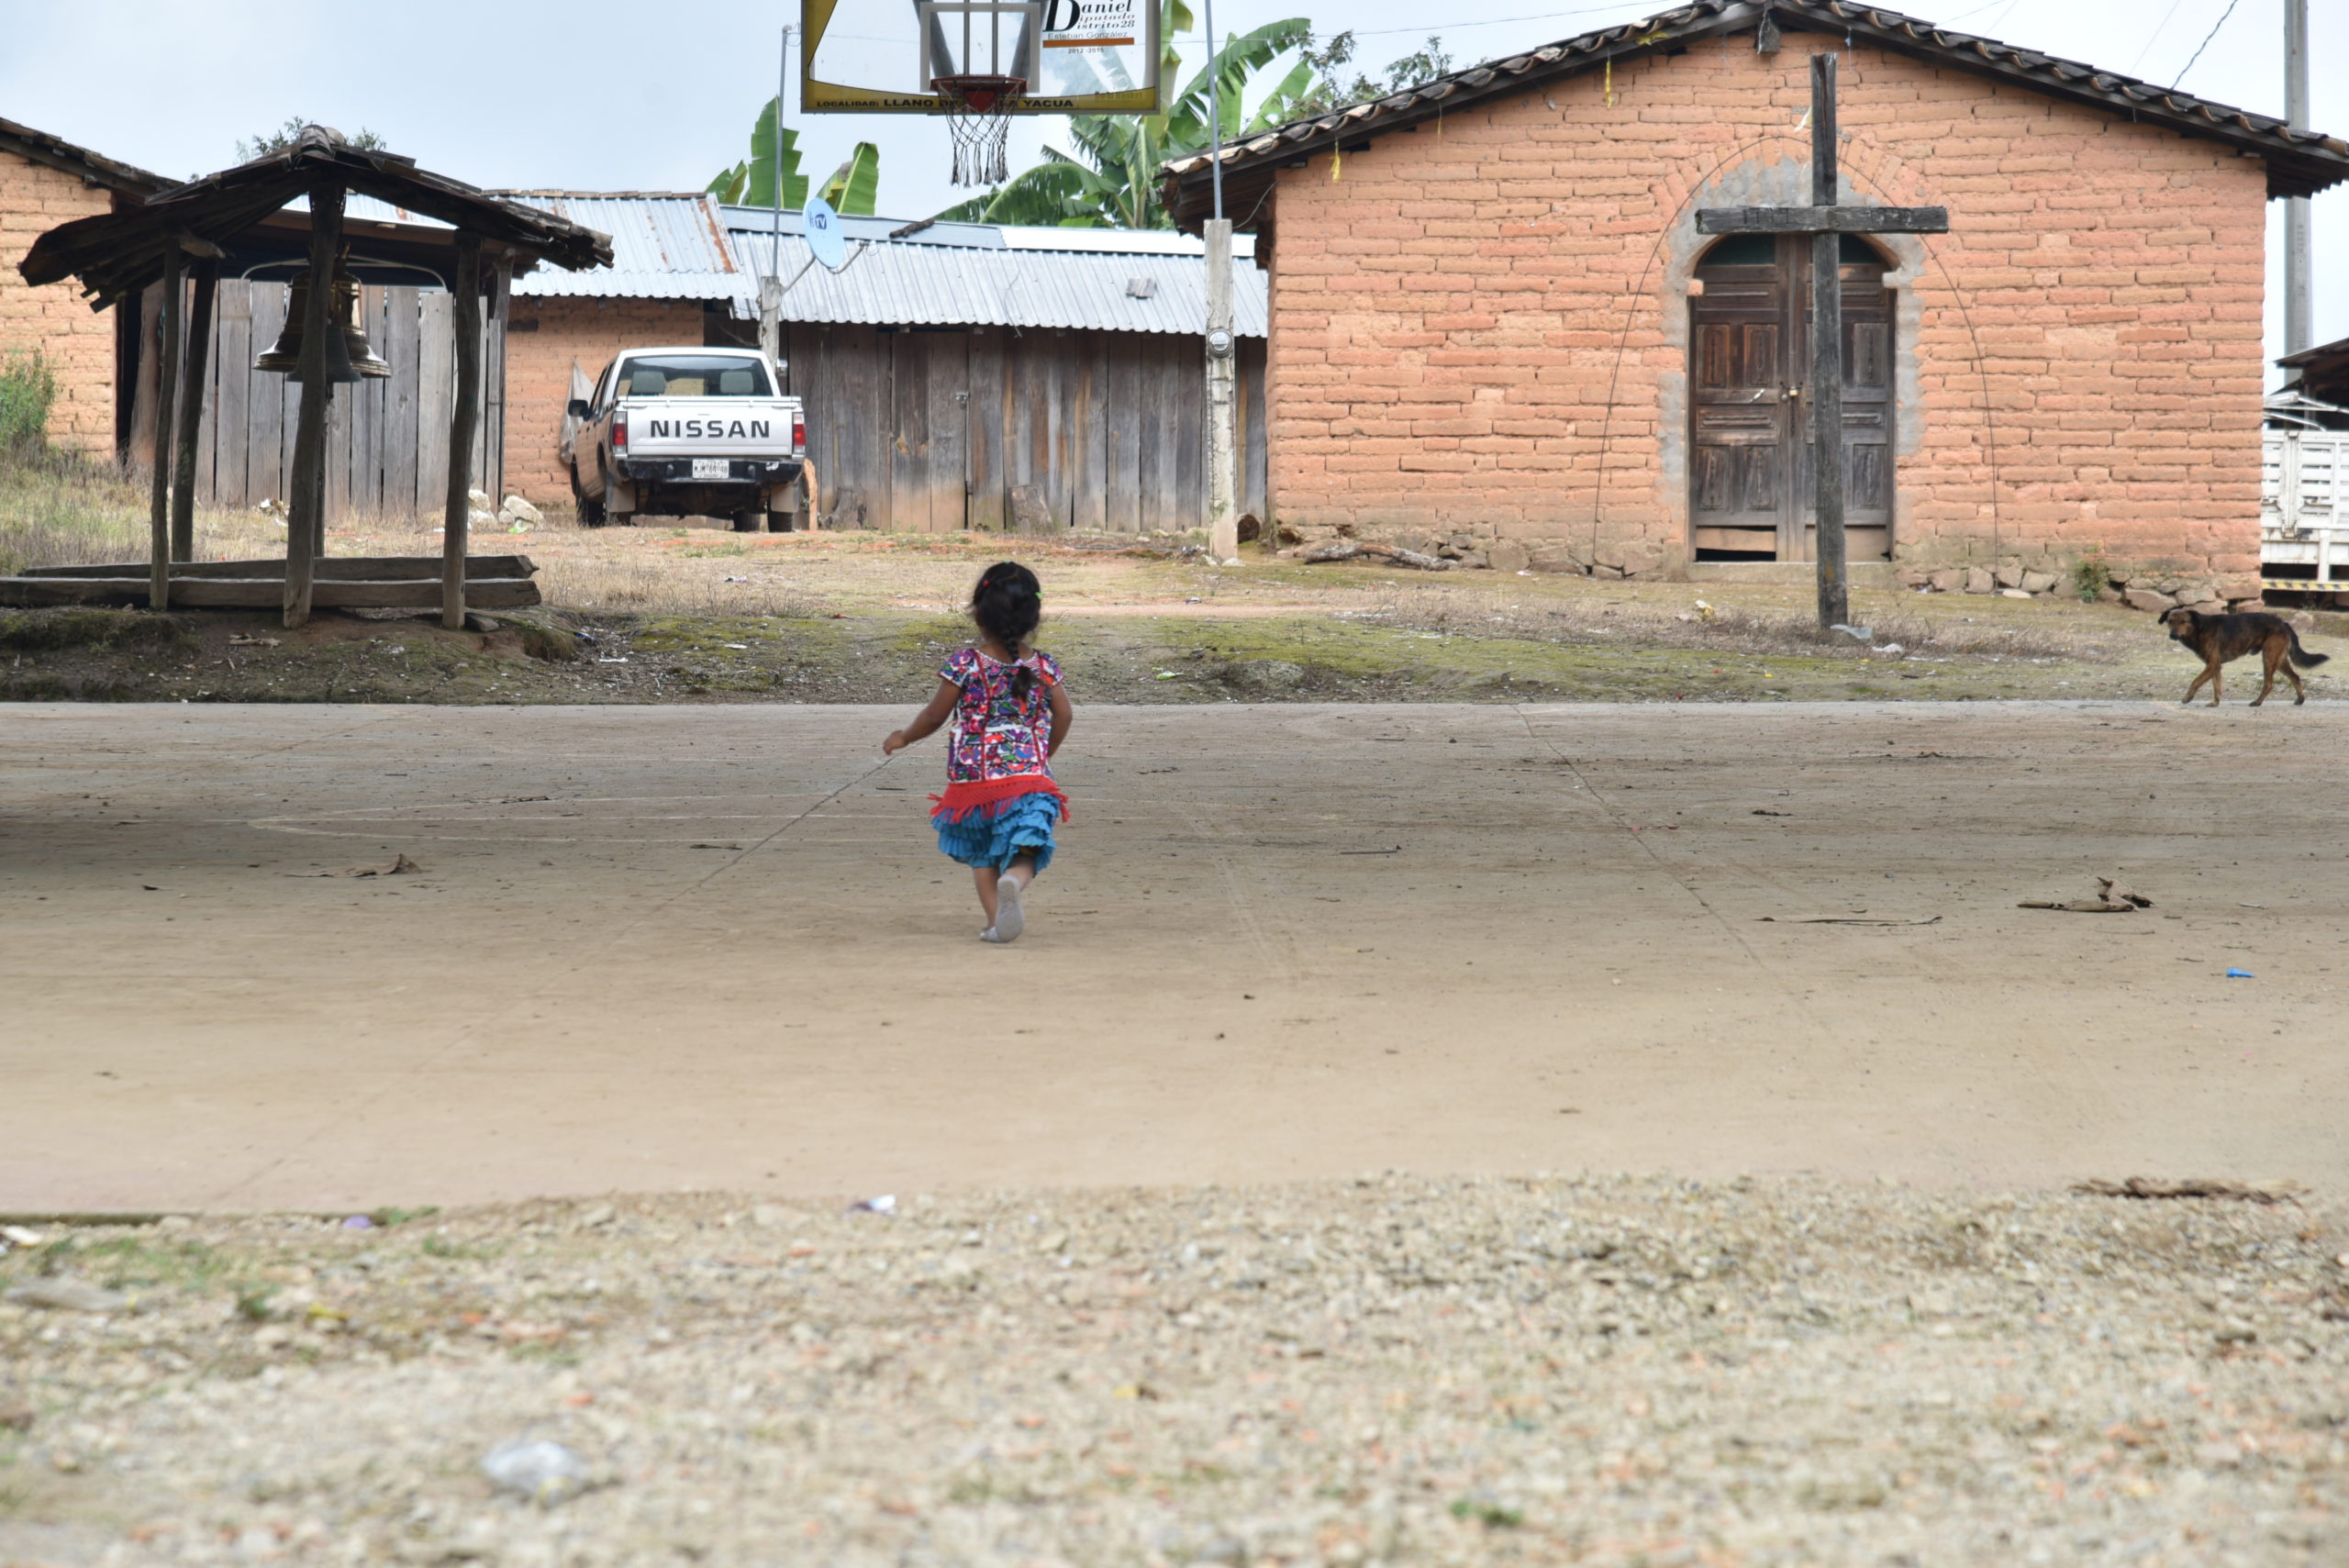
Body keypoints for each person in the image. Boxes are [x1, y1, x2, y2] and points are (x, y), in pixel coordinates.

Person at [883, 562, 1072, 942]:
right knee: (1028, 847)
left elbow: (935, 716)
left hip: (975, 781)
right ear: (1034, 616)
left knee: (982, 853)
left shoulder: (965, 664)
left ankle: (995, 922)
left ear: (978, 613)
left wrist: (904, 737)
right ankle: (1015, 882)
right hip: (1029, 778)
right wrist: (1042, 758)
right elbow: (1064, 714)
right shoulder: (1043, 666)